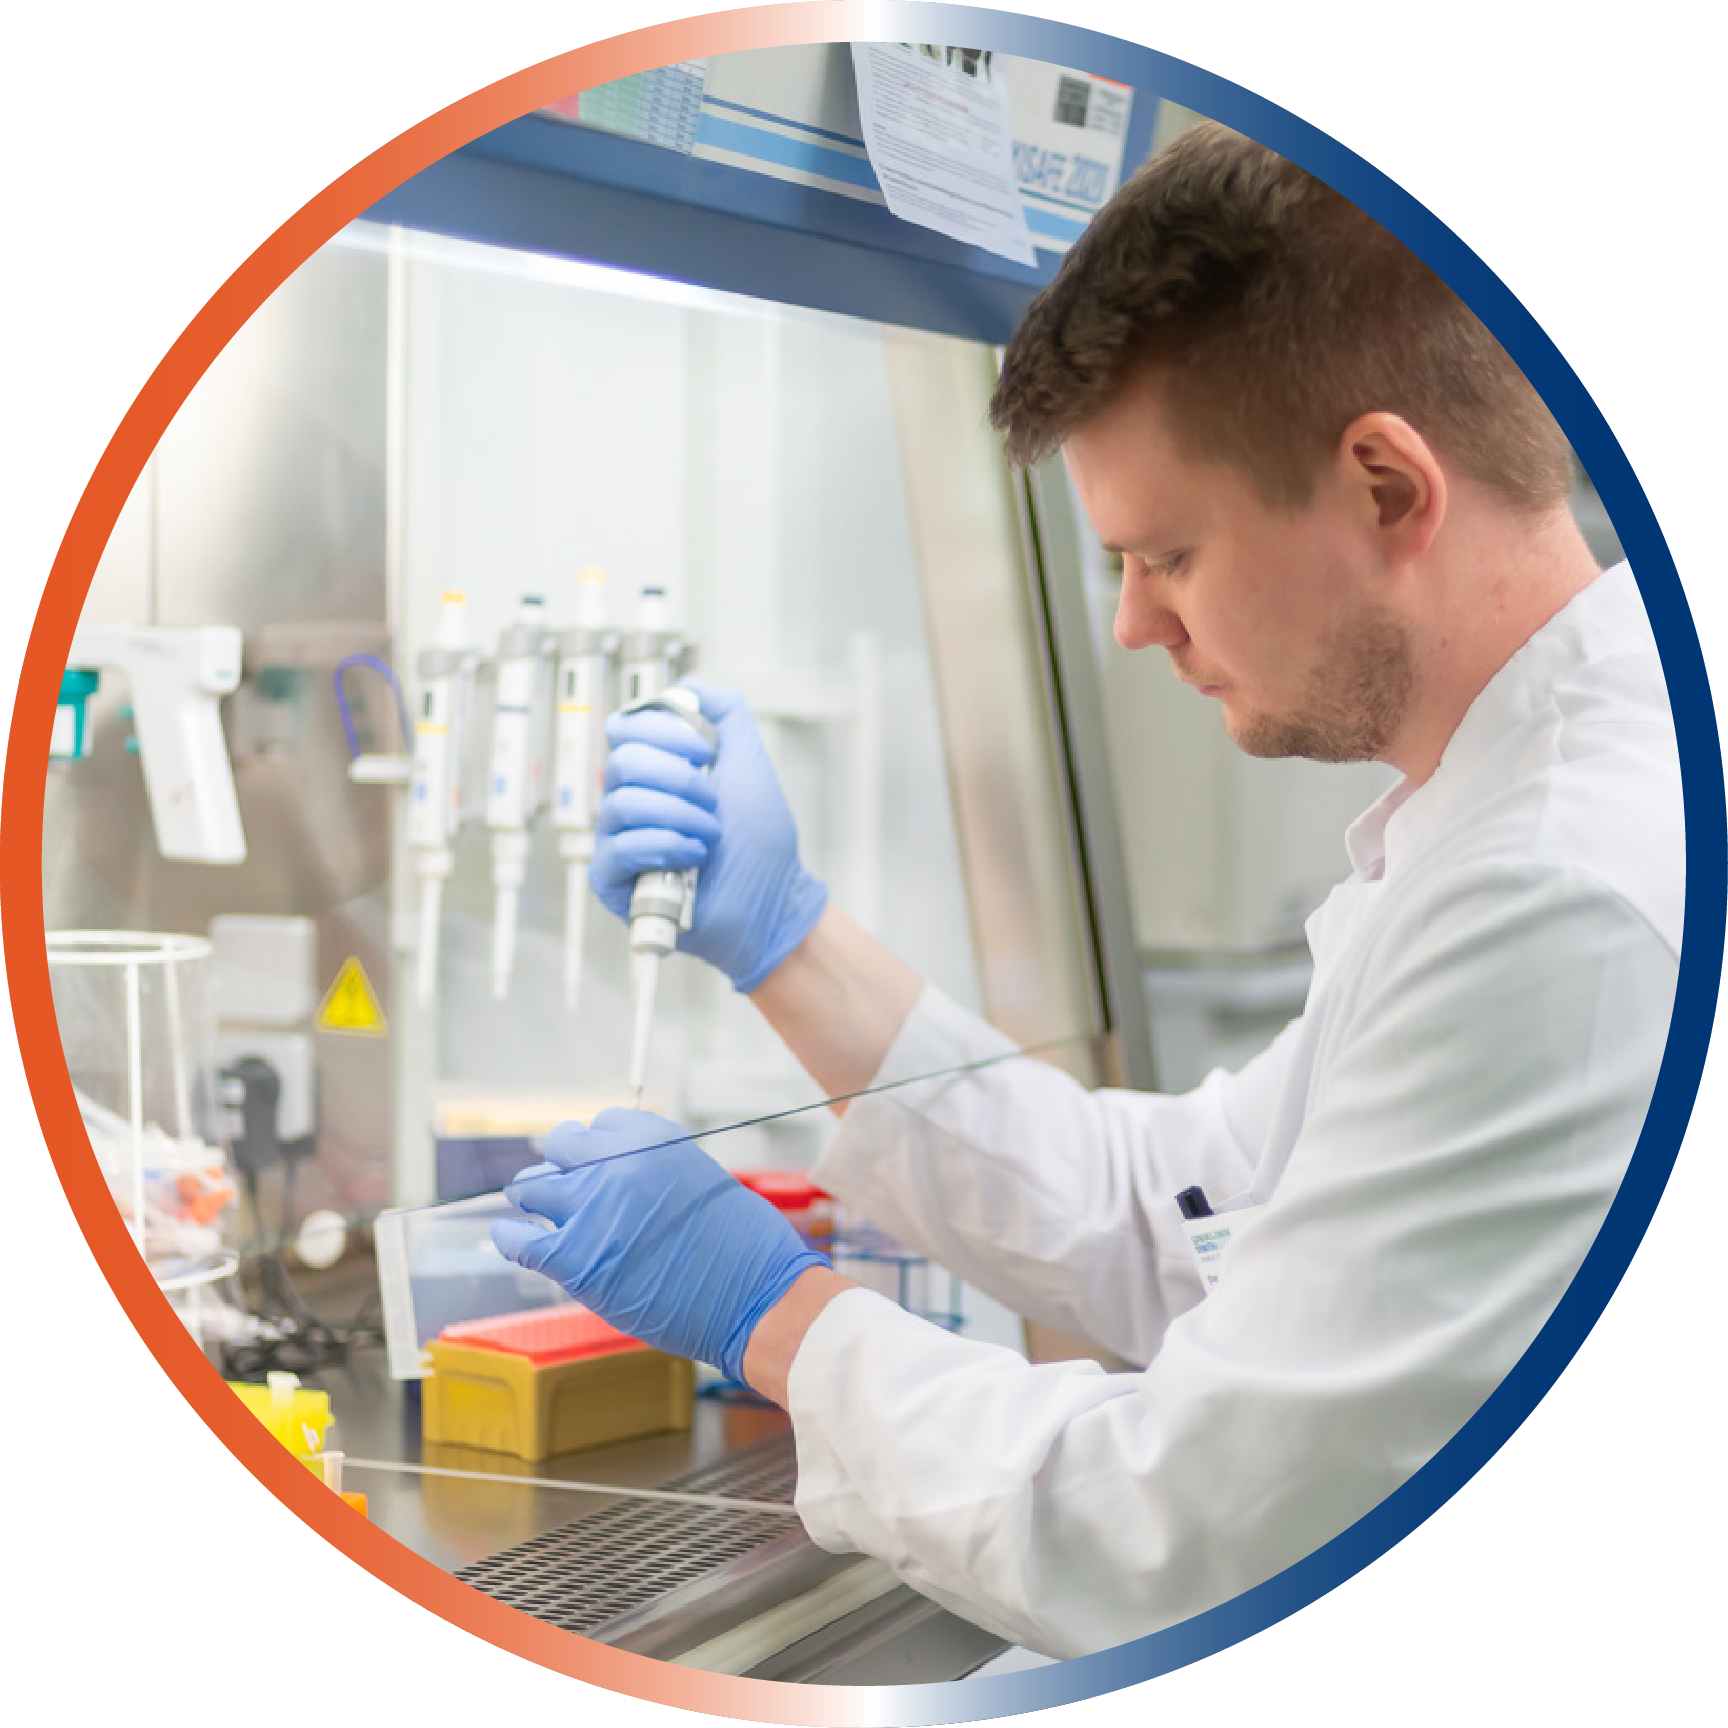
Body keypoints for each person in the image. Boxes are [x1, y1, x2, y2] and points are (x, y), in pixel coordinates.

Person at [490, 121, 1682, 1658]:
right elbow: (1178, 1215)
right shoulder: (1500, 812)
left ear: (1388, 486)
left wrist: (768, 1316)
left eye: (1167, 555)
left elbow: (1185, 1533)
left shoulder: (1561, 894)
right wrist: (788, 942)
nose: (1131, 625)